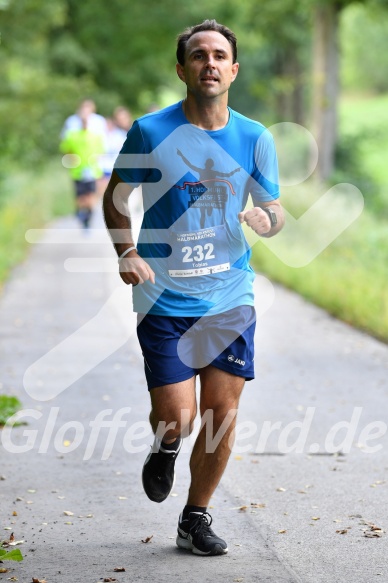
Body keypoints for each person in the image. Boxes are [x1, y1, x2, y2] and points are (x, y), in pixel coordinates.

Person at [103, 19, 284, 556]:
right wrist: (127, 252)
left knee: (221, 416)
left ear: (233, 69)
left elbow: (275, 211)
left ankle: (195, 516)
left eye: (219, 55)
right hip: (164, 295)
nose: (209, 62)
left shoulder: (255, 137)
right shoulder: (150, 131)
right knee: (177, 417)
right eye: (198, 54)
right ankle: (165, 449)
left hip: (230, 294)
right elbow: (116, 197)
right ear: (181, 68)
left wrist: (265, 220)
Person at [60, 103, 104, 228]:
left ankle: (88, 215)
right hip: (77, 170)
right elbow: (65, 149)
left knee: (90, 196)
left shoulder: (96, 136)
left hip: (92, 170)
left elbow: (101, 151)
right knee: (80, 197)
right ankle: (82, 214)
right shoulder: (71, 136)